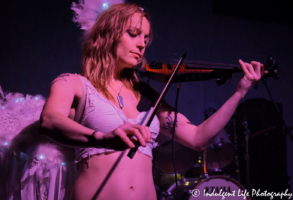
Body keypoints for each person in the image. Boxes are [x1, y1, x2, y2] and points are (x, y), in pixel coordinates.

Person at [39, 3, 264, 200]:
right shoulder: (73, 83)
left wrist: (239, 93)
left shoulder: (147, 95)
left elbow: (198, 138)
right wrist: (104, 138)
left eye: (145, 39)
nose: (142, 44)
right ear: (107, 34)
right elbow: (49, 121)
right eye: (133, 34)